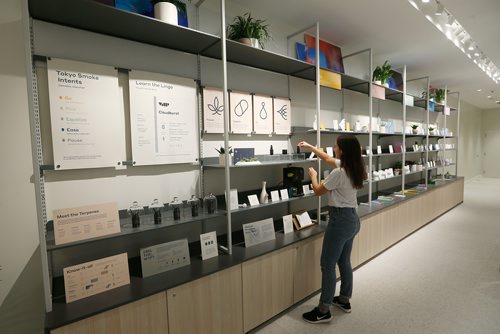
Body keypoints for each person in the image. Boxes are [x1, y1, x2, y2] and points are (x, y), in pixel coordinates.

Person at [299, 134, 366, 324]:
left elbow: (318, 192)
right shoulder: (354, 167)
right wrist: (311, 147)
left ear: (342, 150)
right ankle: (344, 299)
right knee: (344, 260)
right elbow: (327, 158)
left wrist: (313, 177)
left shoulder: (338, 173)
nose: (333, 148)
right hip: (352, 219)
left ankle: (323, 310)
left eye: (335, 146)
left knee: (327, 265)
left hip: (340, 221)